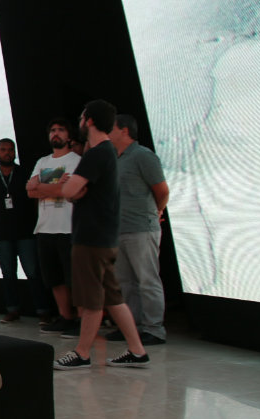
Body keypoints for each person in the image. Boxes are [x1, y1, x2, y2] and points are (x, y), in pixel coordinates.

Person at [35, 100, 150, 370]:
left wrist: (69, 187)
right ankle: (137, 350)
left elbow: (68, 191)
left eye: (82, 117)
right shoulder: (105, 152)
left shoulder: (97, 153)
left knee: (91, 299)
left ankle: (83, 353)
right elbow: (79, 192)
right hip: (103, 236)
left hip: (92, 238)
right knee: (113, 297)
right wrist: (74, 189)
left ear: (88, 121)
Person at [107, 114, 170, 345]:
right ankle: (132, 328)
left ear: (124, 131)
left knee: (147, 279)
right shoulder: (115, 158)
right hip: (119, 230)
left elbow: (162, 190)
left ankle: (154, 329)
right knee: (125, 282)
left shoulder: (143, 156)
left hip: (142, 228)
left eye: (111, 128)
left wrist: (157, 212)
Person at [0, 138, 46, 324]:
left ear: (15, 152)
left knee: (33, 272)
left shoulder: (25, 173)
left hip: (26, 232)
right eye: (3, 150)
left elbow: (34, 199)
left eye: (10, 150)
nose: (7, 153)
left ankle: (42, 311)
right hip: (2, 234)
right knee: (8, 274)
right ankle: (12, 310)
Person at [26, 119, 82, 334]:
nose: (56, 133)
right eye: (52, 130)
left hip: (68, 228)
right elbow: (30, 192)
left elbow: (67, 191)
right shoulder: (42, 161)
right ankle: (65, 317)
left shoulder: (76, 161)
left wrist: (42, 185)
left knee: (73, 278)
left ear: (69, 136)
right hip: (45, 228)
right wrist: (57, 185)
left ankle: (80, 320)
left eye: (61, 129)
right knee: (54, 278)